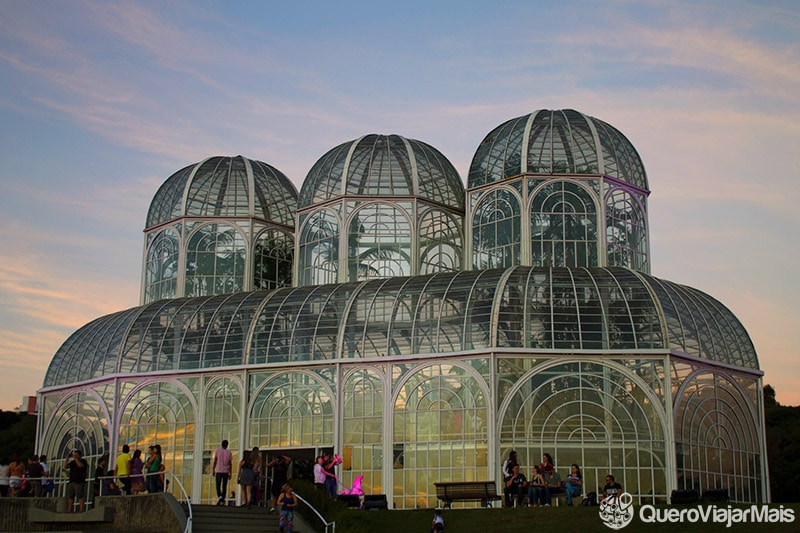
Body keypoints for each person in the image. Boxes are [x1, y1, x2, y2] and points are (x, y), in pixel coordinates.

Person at [212, 440, 233, 506]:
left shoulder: (218, 451)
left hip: (218, 470)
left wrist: (213, 470)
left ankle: (220, 496)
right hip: (225, 471)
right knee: (224, 485)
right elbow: (230, 463)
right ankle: (223, 497)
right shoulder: (229, 453)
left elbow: (215, 460)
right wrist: (230, 473)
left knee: (218, 485)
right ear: (227, 445)